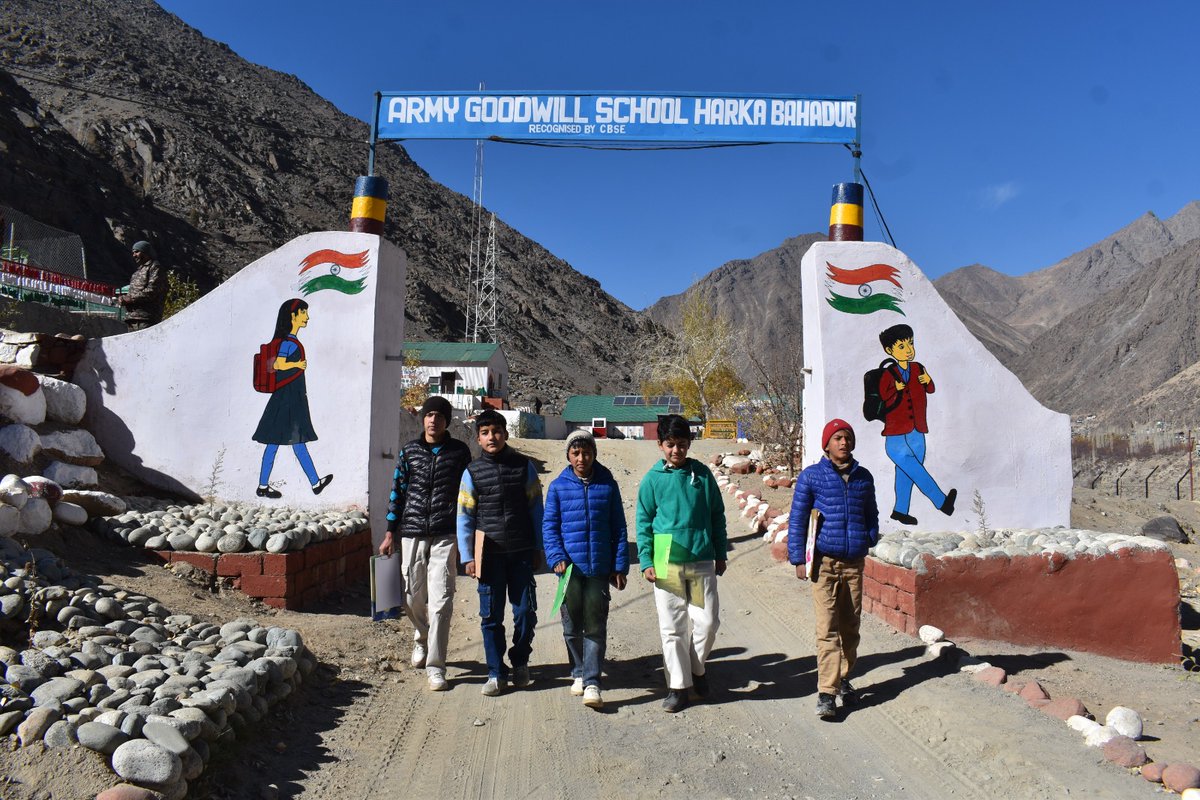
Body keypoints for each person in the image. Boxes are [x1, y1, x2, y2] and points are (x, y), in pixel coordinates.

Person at [378, 395, 472, 692]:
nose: (434, 420)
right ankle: (420, 635)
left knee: (442, 598)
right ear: (423, 419)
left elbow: (469, 493)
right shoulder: (409, 452)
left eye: (439, 416)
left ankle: (436, 666)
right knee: (411, 596)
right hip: (413, 532)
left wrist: (470, 535)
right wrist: (390, 531)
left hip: (446, 533)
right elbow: (397, 493)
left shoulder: (459, 452)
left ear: (447, 421)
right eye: (429, 415)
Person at [787, 418, 879, 720]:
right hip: (824, 564)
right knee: (827, 629)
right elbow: (798, 518)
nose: (844, 442)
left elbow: (871, 514)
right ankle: (826, 693)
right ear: (826, 444)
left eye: (848, 438)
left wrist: (868, 537)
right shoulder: (811, 477)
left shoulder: (864, 477)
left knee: (850, 629)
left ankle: (842, 678)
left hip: (854, 564)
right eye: (838, 438)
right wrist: (798, 558)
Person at [636, 413, 727, 713]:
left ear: (690, 444)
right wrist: (646, 558)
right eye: (671, 444)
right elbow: (644, 522)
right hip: (666, 559)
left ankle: (697, 669)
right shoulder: (652, 480)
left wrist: (720, 551)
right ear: (660, 444)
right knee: (672, 627)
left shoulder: (701, 475)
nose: (677, 450)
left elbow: (717, 514)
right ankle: (678, 686)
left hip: (700, 559)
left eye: (683, 444)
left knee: (708, 622)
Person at [457, 409, 544, 696]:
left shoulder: (523, 466)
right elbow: (465, 516)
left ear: (505, 434)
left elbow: (535, 509)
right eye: (485, 433)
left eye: (496, 431)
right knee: (491, 617)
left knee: (525, 612)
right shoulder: (472, 473)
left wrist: (539, 547)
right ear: (479, 439)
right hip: (488, 554)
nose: (491, 437)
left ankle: (520, 660)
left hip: (520, 552)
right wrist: (468, 556)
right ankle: (496, 672)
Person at [542, 429, 629, 709]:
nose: (582, 457)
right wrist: (556, 556)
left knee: (594, 625)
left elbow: (618, 527)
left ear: (594, 453)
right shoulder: (558, 487)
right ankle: (577, 671)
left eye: (587, 451)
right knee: (571, 626)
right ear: (568, 455)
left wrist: (619, 565)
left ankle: (592, 681)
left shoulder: (608, 485)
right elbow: (550, 527)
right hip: (569, 570)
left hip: (598, 569)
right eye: (576, 452)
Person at [876, 324, 956, 526]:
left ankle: (900, 511)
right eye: (902, 347)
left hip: (917, 429)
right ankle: (942, 502)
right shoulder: (889, 374)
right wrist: (894, 388)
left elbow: (930, 389)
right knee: (916, 470)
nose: (909, 349)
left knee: (906, 472)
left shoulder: (918, 368)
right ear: (890, 351)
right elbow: (884, 395)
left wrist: (928, 380)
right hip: (895, 434)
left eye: (910, 344)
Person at [252, 299, 333, 498]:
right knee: (288, 441)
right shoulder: (288, 343)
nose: (307, 317)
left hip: (287, 399)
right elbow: (278, 365)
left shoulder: (290, 342)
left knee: (286, 442)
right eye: (303, 313)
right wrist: (297, 365)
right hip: (287, 400)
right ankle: (311, 483)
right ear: (293, 316)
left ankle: (312, 483)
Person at [119, 240, 169, 330]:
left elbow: (152, 290)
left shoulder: (155, 267)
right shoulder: (137, 272)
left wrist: (130, 299)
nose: (134, 255)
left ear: (146, 252)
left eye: (137, 252)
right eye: (133, 253)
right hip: (132, 318)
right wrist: (124, 298)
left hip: (147, 318)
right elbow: (133, 292)